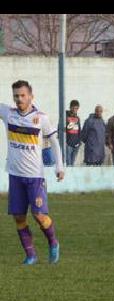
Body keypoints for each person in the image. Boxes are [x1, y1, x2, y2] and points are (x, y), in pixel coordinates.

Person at [1, 80, 64, 265]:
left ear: (31, 96)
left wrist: (59, 166)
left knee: (39, 216)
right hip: (15, 175)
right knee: (19, 217)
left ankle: (53, 242)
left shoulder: (41, 117)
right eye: (16, 96)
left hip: (35, 176)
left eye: (22, 95)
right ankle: (31, 255)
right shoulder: (8, 114)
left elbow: (54, 142)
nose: (19, 99)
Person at [64, 99, 81, 166]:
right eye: (74, 108)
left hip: (76, 144)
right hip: (68, 144)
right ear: (70, 107)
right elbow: (64, 129)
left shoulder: (77, 118)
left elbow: (79, 130)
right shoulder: (65, 116)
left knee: (73, 163)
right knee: (68, 164)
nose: (75, 110)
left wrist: (79, 142)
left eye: (76, 108)